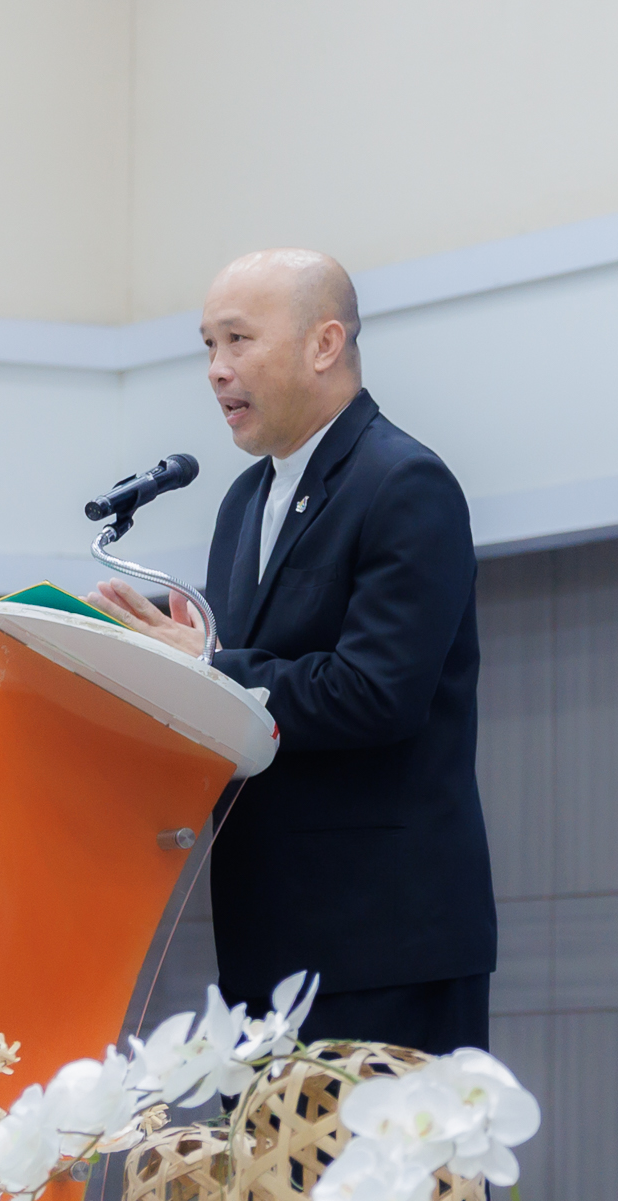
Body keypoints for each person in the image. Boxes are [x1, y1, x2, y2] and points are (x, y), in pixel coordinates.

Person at [93, 249, 495, 1057]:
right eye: (208, 346)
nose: (217, 369)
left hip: (384, 946)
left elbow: (377, 692)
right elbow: (250, 683)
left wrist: (209, 668)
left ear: (324, 343)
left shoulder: (403, 483)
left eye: (238, 340)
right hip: (265, 941)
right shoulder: (244, 501)